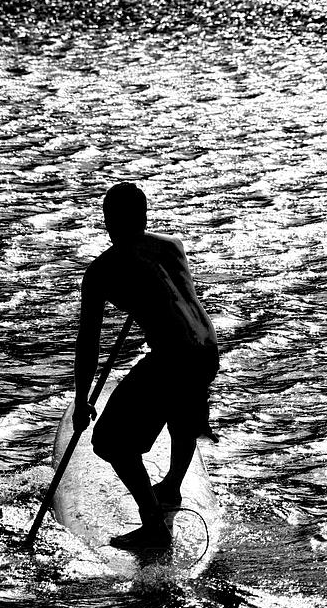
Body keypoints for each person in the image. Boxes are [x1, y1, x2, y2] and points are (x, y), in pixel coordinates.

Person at [73, 182, 219, 550]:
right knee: (182, 411)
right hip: (206, 348)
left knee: (108, 441)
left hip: (173, 358)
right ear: (145, 216)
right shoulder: (172, 245)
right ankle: (170, 485)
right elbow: (161, 293)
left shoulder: (102, 271)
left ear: (107, 221)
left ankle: (154, 524)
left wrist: (81, 401)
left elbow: (88, 344)